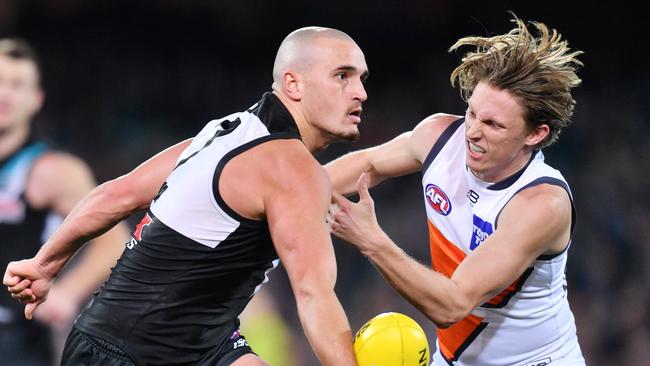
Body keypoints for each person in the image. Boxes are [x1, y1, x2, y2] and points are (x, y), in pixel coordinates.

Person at [5, 26, 367, 365]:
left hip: (178, 341)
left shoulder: (229, 131)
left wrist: (43, 265)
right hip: (130, 353)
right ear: (294, 84)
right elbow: (314, 295)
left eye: (361, 79)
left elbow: (118, 194)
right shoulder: (294, 169)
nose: (360, 92)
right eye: (342, 76)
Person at [326, 16, 585, 365]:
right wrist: (283, 196)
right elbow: (366, 166)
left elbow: (452, 305)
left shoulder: (541, 203)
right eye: (472, 113)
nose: (473, 132)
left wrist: (371, 239)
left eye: (493, 124)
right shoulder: (439, 137)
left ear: (535, 134)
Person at [0, 38, 130, 365]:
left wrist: (67, 294)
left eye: (17, 85)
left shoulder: (52, 170)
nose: (5, 94)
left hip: (15, 341)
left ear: (36, 99)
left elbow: (115, 241)